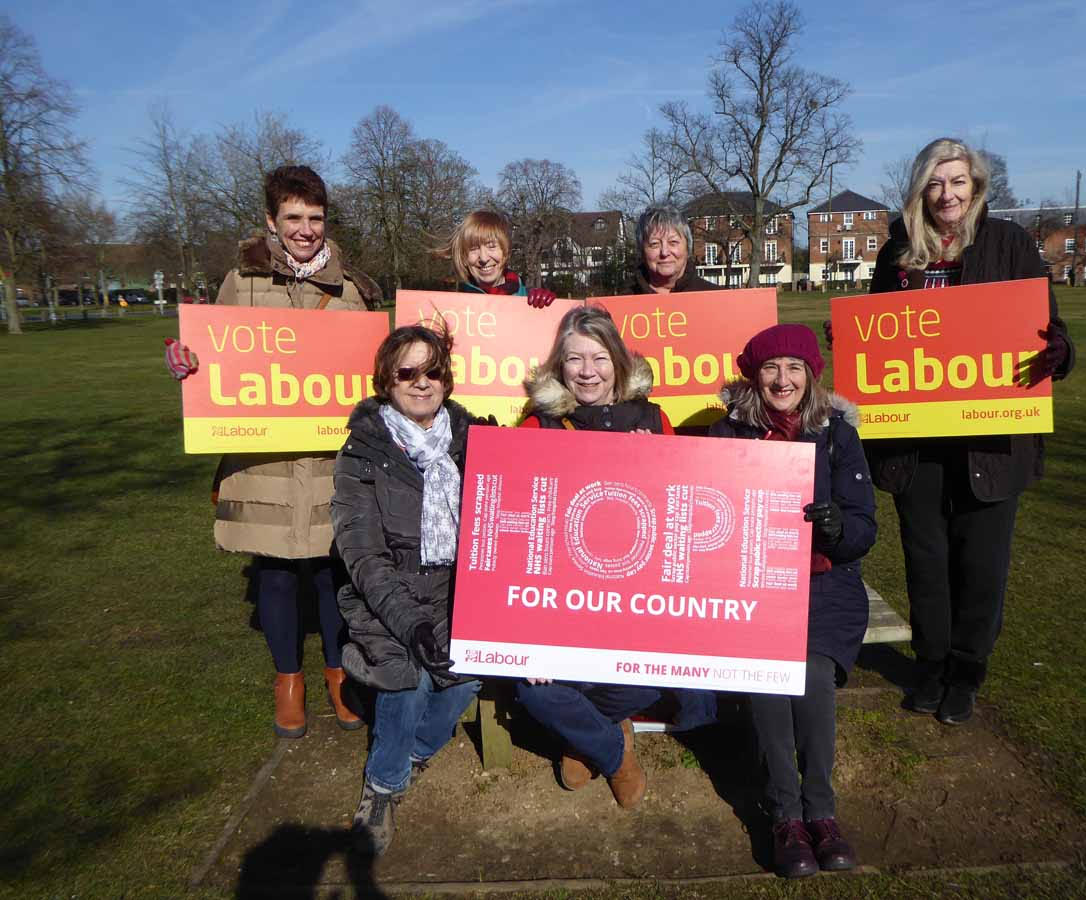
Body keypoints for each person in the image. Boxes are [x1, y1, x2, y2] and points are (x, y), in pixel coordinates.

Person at [164, 165, 380, 739]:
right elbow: (213, 357)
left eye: (315, 218)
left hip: (333, 458)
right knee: (277, 571)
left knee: (334, 568)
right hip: (262, 456)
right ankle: (289, 680)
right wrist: (185, 362)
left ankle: (338, 673)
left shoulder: (355, 290)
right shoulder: (242, 280)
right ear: (271, 221)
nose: (305, 229)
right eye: (293, 218)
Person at [865, 138, 1075, 725]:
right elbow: (878, 331)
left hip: (991, 440)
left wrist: (1059, 349)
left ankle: (967, 668)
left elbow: (1049, 326)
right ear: (920, 190)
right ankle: (931, 664)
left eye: (957, 181)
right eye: (935, 183)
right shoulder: (899, 254)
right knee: (925, 560)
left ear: (976, 187)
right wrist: (859, 348)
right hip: (917, 441)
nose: (947, 194)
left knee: (981, 564)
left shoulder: (1008, 244)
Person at [515, 305, 714, 807]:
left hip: (640, 600)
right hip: (564, 597)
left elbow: (686, 518)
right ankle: (613, 751)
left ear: (619, 361)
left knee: (662, 674)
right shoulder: (539, 426)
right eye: (574, 359)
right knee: (532, 688)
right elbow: (517, 528)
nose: (587, 372)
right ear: (558, 365)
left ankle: (585, 729)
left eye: (599, 358)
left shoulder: (653, 416)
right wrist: (530, 635)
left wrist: (659, 469)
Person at [709, 324, 876, 878]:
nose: (783, 380)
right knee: (766, 678)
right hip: (752, 585)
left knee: (812, 675)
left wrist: (835, 529)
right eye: (772, 368)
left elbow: (863, 528)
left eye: (795, 368)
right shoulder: (727, 435)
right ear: (754, 376)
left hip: (824, 585)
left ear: (812, 376)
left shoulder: (837, 435)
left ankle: (822, 813)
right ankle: (786, 816)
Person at [331, 324, 484, 856]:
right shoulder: (362, 453)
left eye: (433, 370)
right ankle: (384, 783)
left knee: (469, 672)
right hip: (384, 595)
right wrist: (409, 622)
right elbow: (363, 555)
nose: (422, 382)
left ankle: (412, 751)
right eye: (408, 372)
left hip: (450, 592)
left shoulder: (470, 442)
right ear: (386, 380)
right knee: (406, 676)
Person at [444, 210, 555, 307]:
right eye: (473, 249)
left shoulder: (527, 298)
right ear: (463, 258)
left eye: (492, 246)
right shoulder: (450, 304)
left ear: (505, 252)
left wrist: (546, 307)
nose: (483, 258)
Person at [625, 206, 720, 294]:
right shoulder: (622, 304)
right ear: (642, 251)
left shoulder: (717, 299)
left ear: (688, 248)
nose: (664, 252)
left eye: (673, 242)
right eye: (655, 244)